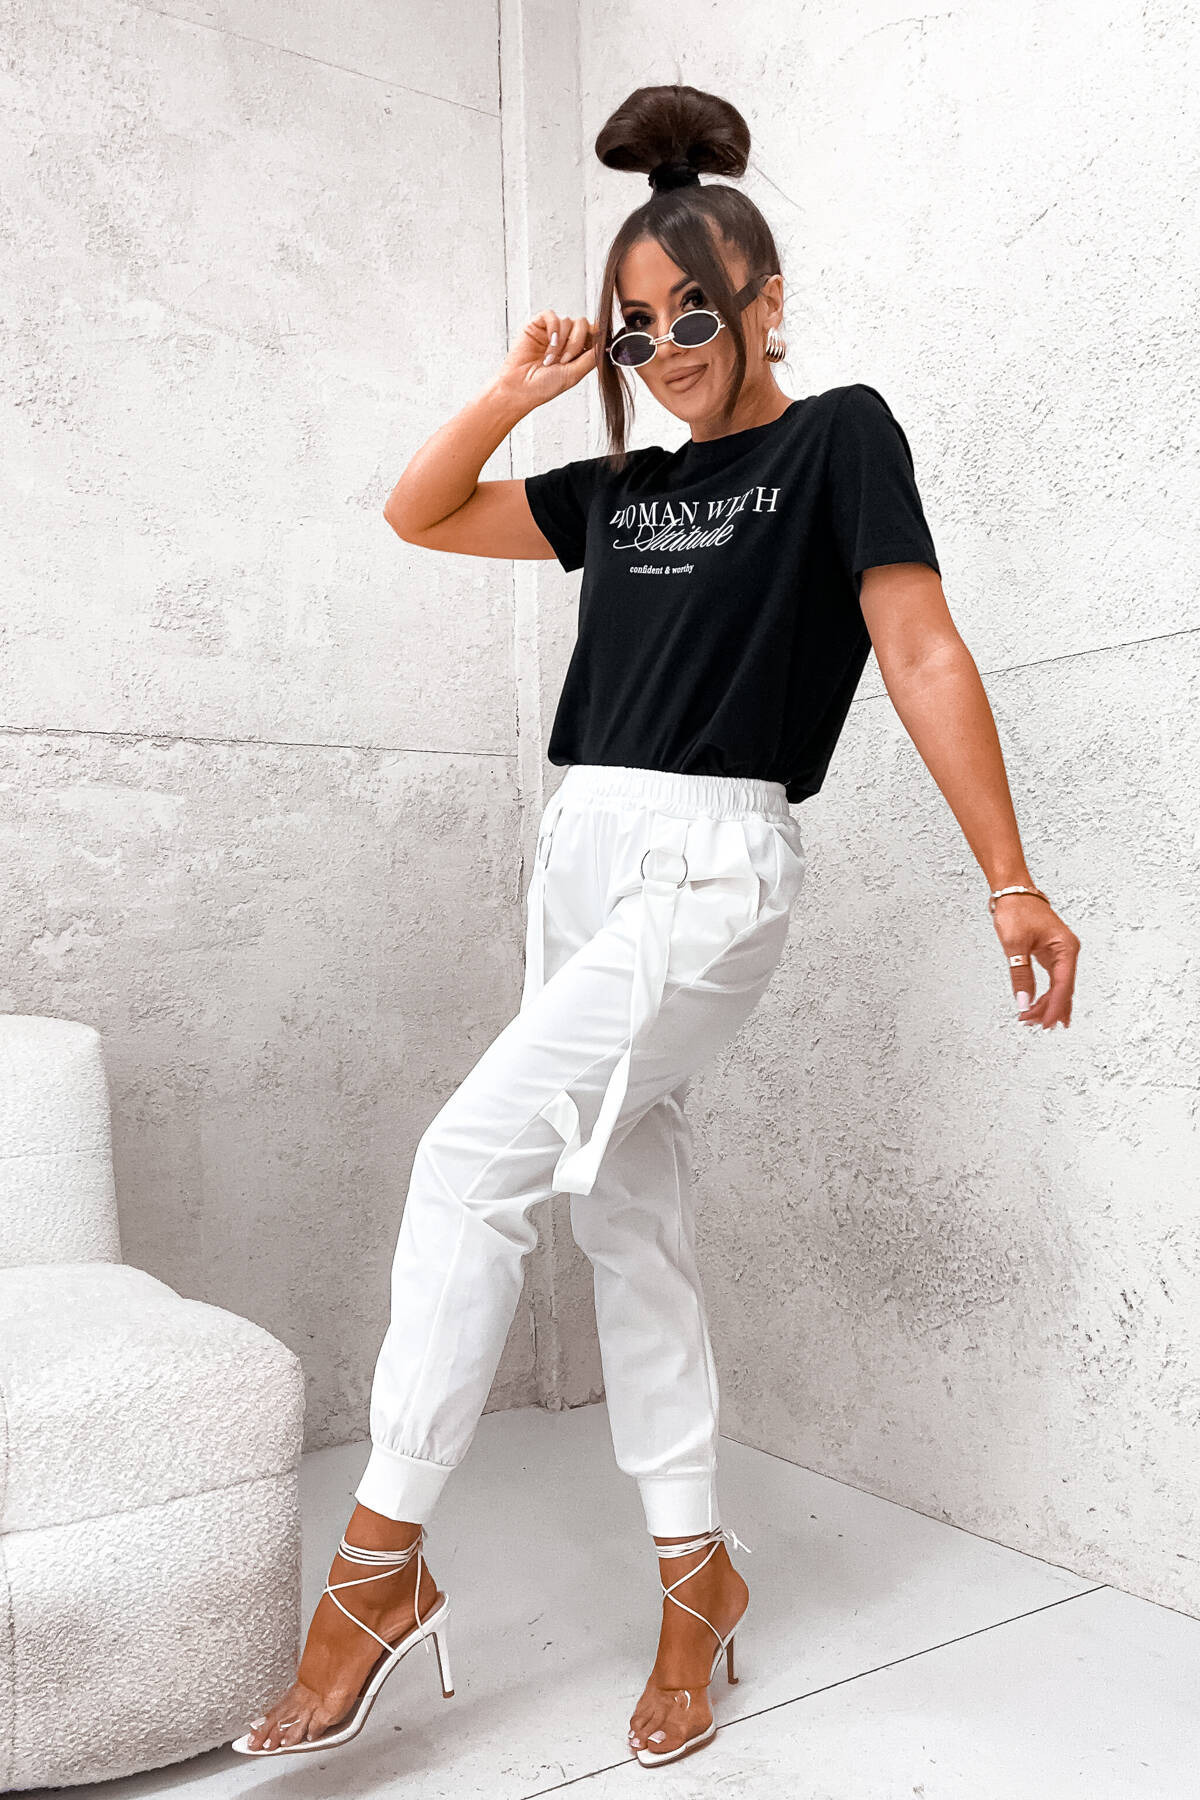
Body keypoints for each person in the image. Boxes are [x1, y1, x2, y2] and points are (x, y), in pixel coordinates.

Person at [233, 82, 1080, 1771]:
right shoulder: (618, 488)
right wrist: (523, 388)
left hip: (711, 865)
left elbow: (919, 648)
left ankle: (377, 1569)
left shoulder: (839, 439)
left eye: (697, 312)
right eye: (639, 327)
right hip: (583, 855)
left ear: (768, 302)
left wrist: (1009, 875)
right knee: (627, 1209)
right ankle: (700, 1578)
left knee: (469, 1160)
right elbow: (417, 511)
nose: (671, 347)